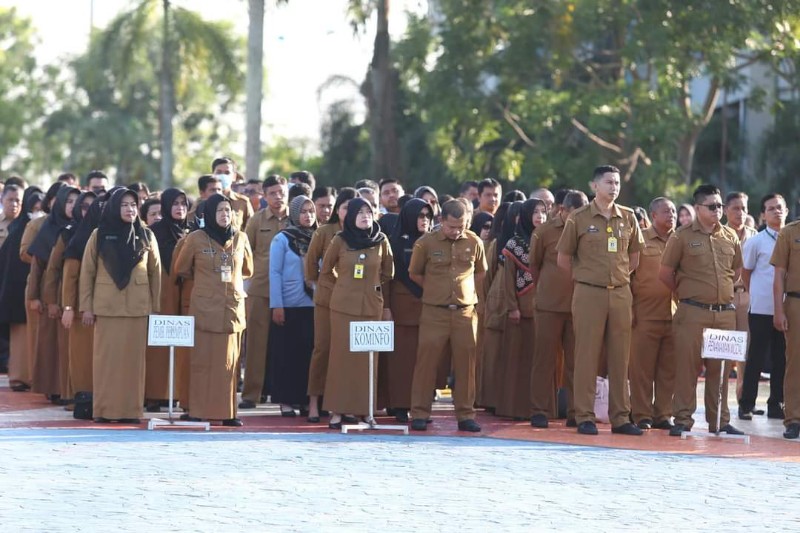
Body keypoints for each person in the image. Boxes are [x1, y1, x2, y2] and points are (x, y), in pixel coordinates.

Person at [556, 165, 644, 436]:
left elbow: (634, 257)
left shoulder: (628, 217)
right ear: (594, 186)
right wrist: (586, 277)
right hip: (588, 293)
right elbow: (563, 259)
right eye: (608, 182)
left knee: (620, 357)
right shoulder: (579, 218)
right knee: (586, 355)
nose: (614, 187)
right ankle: (584, 415)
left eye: (617, 182)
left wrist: (615, 278)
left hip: (619, 292)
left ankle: (621, 417)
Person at [659, 184, 745, 437]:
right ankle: (683, 419)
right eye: (712, 206)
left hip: (724, 313)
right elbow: (665, 274)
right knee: (687, 367)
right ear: (697, 208)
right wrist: (686, 294)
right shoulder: (681, 236)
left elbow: (736, 271)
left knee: (720, 371)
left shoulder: (730, 236)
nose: (718, 210)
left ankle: (719, 420)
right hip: (692, 312)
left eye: (720, 206)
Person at [79, 188, 161, 424]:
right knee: (107, 362)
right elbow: (87, 272)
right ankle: (104, 410)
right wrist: (87, 306)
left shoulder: (146, 235)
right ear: (115, 207)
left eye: (133, 205)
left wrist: (154, 308)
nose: (130, 209)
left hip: (137, 308)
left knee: (133, 364)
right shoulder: (100, 234)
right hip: (107, 308)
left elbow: (156, 274)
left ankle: (131, 411)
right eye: (124, 205)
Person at [174, 194, 253, 426]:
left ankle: (228, 412)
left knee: (229, 364)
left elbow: (247, 269)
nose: (224, 215)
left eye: (228, 210)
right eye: (219, 210)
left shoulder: (241, 238)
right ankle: (197, 410)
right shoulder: (196, 238)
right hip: (204, 308)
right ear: (209, 213)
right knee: (202, 363)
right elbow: (182, 268)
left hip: (231, 308)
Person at [408, 199, 487, 432]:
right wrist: (436, 290)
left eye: (461, 226)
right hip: (435, 312)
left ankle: (465, 414)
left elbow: (481, 273)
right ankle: (420, 412)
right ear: (441, 221)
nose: (456, 231)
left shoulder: (474, 242)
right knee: (426, 363)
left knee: (466, 365)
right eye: (452, 226)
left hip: (465, 313)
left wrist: (465, 294)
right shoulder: (425, 243)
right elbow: (415, 273)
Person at [320, 198, 393, 428]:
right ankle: (338, 410)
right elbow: (326, 269)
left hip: (371, 305)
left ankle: (365, 410)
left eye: (368, 212)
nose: (365, 216)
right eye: (359, 212)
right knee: (341, 359)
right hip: (343, 307)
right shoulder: (340, 240)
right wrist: (344, 284)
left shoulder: (381, 240)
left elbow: (388, 271)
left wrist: (370, 286)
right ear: (351, 216)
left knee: (367, 360)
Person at [529, 190, 588, 428]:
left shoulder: (588, 231)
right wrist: (544, 290)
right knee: (544, 360)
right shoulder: (544, 232)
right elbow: (534, 266)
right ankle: (539, 410)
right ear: (563, 210)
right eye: (576, 213)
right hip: (549, 306)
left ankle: (576, 411)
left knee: (577, 361)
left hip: (579, 306)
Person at [304, 187, 360, 423]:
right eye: (345, 207)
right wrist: (322, 284)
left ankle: (345, 403)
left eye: (353, 207)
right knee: (323, 349)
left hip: (354, 303)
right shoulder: (325, 232)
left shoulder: (363, 233)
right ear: (338, 210)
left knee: (347, 354)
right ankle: (314, 402)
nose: (349, 211)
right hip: (327, 299)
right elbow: (310, 264)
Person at [380, 198, 433, 422]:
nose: (424, 221)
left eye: (427, 216)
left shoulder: (433, 242)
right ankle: (400, 405)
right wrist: (387, 307)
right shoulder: (395, 242)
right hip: (402, 308)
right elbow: (388, 279)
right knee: (400, 360)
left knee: (424, 361)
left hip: (429, 307)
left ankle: (420, 406)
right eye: (420, 216)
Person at [240, 174, 289, 409]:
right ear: (265, 195)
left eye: (281, 192)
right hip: (261, 287)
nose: (278, 197)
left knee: (286, 344)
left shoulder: (297, 218)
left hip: (291, 290)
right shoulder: (256, 221)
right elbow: (245, 253)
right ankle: (251, 394)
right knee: (257, 343)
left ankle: (285, 394)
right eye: (273, 193)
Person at [628, 197, 677, 430]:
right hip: (644, 313)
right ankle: (641, 414)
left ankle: (664, 414)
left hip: (675, 315)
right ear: (653, 215)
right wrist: (629, 308)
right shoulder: (640, 239)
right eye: (666, 211)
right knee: (641, 369)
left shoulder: (680, 240)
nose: (672, 215)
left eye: (674, 211)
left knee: (669, 370)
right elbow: (627, 275)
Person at [496, 198, 547, 420]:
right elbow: (508, 280)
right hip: (521, 309)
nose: (539, 217)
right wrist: (512, 307)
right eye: (535, 212)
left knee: (541, 360)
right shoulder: (513, 244)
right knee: (519, 360)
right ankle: (515, 408)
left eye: (543, 212)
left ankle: (542, 409)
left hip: (545, 308)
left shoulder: (549, 240)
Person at [28, 184, 79, 402]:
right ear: (58, 203)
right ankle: (54, 388)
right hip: (51, 294)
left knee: (68, 344)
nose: (72, 206)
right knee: (52, 344)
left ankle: (67, 388)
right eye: (68, 201)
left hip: (69, 294)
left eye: (76, 202)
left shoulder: (81, 229)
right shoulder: (48, 228)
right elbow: (38, 266)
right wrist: (37, 297)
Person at [42, 190, 95, 403]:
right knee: (75, 353)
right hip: (72, 302)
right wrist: (58, 303)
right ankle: (73, 395)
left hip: (94, 304)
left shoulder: (102, 234)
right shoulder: (68, 233)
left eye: (93, 206)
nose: (88, 210)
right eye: (84, 206)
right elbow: (53, 270)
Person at [738, 194, 787, 421]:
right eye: (771, 208)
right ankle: (746, 403)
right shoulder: (756, 241)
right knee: (756, 357)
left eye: (780, 208)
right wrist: (756, 293)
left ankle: (776, 404)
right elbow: (746, 273)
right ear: (762, 214)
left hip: (787, 310)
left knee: (781, 358)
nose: (776, 212)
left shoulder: (792, 239)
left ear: (786, 211)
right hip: (760, 309)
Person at [268, 195, 317, 417]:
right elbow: (275, 273)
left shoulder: (319, 237)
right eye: (304, 211)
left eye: (311, 211)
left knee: (308, 355)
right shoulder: (282, 239)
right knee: (287, 355)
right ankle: (286, 401)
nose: (308, 215)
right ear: (295, 214)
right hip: (288, 305)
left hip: (313, 304)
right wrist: (277, 305)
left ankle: (307, 400)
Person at [144, 188, 190, 412]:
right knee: (158, 345)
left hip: (187, 293)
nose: (180, 207)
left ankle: (178, 393)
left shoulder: (194, 231)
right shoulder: (154, 232)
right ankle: (154, 394)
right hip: (163, 292)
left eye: (183, 203)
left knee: (183, 344)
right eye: (175, 203)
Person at [0, 186, 44, 392]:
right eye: (34, 208)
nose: (37, 213)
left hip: (33, 290)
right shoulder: (21, 229)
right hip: (18, 292)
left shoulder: (40, 227)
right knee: (20, 338)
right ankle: (19, 376)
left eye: (41, 209)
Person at [61, 193, 105, 398]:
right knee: (81, 358)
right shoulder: (79, 238)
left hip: (104, 309)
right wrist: (68, 307)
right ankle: (78, 399)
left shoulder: (111, 237)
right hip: (81, 310)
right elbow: (70, 277)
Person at [724, 191, 758, 405]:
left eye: (744, 208)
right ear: (726, 210)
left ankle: (744, 401)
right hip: (725, 296)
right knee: (724, 350)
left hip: (748, 297)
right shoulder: (718, 234)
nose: (740, 212)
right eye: (736, 208)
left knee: (746, 350)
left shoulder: (756, 236)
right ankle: (719, 403)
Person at [771, 211, 800, 439]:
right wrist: (779, 310)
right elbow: (779, 274)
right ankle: (793, 419)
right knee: (795, 363)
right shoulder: (789, 233)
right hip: (795, 302)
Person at [210, 157, 254, 231]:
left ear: (234, 176)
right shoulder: (203, 201)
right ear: (213, 175)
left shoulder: (243, 202)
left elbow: (251, 230)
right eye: (219, 172)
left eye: (227, 173)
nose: (223, 176)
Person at [0, 184, 22, 249]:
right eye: (10, 200)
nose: (14, 204)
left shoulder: (26, 224)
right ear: (1, 200)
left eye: (17, 201)